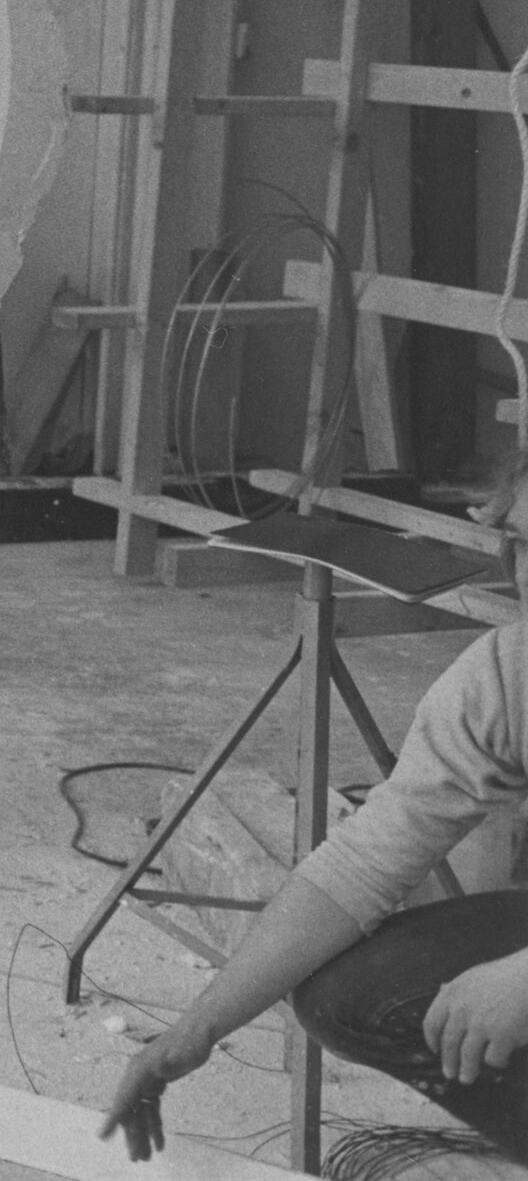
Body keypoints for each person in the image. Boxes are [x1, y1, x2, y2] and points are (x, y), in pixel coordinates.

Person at [99, 458, 528, 1162]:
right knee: (349, 991)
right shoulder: (508, 676)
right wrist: (194, 1029)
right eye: (520, 542)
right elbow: (361, 865)